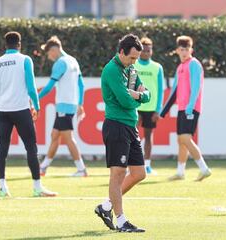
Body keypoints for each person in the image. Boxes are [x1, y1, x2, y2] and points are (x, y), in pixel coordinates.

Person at [0, 31, 57, 197]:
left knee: (2, 148)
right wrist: (36, 106)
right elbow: (31, 87)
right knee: (31, 148)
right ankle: (37, 187)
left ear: (5, 45)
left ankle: (2, 188)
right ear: (19, 44)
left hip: (3, 111)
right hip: (21, 109)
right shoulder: (24, 59)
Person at [94, 34, 150, 232]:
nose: (134, 62)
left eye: (136, 58)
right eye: (132, 58)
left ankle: (106, 206)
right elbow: (126, 101)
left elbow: (147, 93)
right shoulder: (111, 70)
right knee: (117, 174)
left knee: (139, 173)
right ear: (121, 52)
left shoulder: (131, 68)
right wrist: (139, 97)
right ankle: (121, 221)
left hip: (130, 126)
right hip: (116, 125)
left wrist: (140, 95)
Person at [160, 35, 211, 181]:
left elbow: (196, 88)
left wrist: (190, 107)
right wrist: (163, 112)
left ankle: (204, 168)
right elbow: (174, 92)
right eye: (181, 49)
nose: (184, 52)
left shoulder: (194, 64)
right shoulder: (180, 67)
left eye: (186, 49)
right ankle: (180, 172)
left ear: (191, 50)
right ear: (177, 50)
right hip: (182, 109)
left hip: (191, 108)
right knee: (181, 140)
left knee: (185, 138)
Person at [38, 36, 87, 177]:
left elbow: (49, 87)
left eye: (48, 53)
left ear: (54, 49)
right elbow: (81, 85)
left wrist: (36, 98)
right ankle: (43, 167)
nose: (48, 56)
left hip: (64, 106)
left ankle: (81, 169)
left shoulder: (60, 63)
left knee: (68, 137)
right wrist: (80, 104)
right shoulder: (73, 61)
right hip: (69, 105)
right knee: (55, 135)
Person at [134, 37, 164, 175]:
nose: (146, 53)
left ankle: (147, 165)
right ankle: (132, 163)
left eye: (148, 50)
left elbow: (160, 89)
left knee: (148, 136)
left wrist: (158, 110)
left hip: (151, 108)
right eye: (144, 50)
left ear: (152, 51)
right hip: (136, 106)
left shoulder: (157, 67)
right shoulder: (134, 65)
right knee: (133, 135)